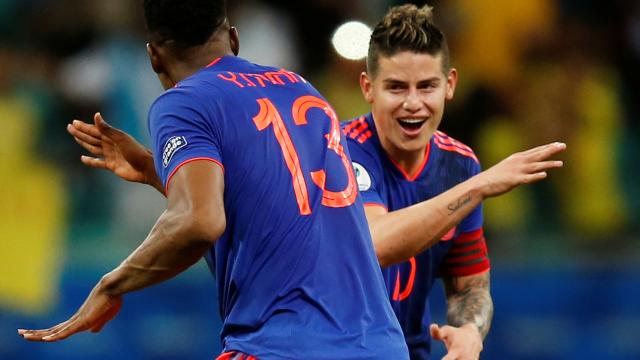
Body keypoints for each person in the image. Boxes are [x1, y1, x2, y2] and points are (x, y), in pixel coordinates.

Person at [60, 4, 565, 360]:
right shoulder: (319, 117)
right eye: (396, 87)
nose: (413, 102)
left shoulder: (459, 166)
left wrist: (469, 333)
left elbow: (208, 215)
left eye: (426, 86)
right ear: (366, 88)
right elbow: (368, 238)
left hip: (296, 344)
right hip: (370, 348)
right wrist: (156, 170)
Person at [18, 1, 412, 359]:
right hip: (379, 343)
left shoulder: (185, 101)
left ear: (155, 56)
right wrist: (156, 171)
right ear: (234, 38)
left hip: (284, 344)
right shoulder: (300, 88)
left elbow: (200, 220)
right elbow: (266, 193)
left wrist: (112, 284)